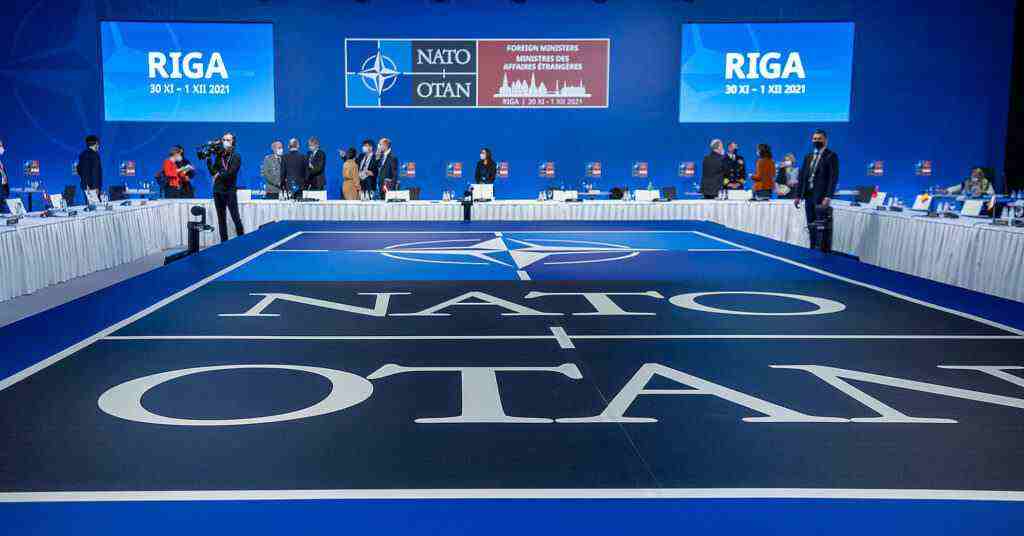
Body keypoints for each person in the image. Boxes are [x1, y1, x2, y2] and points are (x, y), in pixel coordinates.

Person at [795, 129, 840, 250]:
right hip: (808, 196)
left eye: (819, 139)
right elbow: (802, 176)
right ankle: (812, 248)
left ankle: (822, 251)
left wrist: (828, 196)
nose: (816, 141)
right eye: (815, 139)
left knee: (821, 226)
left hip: (821, 196)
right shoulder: (808, 156)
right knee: (811, 224)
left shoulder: (831, 156)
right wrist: (798, 195)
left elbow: (833, 178)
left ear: (825, 140)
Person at [205, 132, 244, 242]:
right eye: (224, 139)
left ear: (233, 142)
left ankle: (242, 241)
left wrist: (219, 174)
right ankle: (224, 243)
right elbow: (213, 172)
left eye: (228, 140)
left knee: (235, 217)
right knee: (221, 219)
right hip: (217, 191)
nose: (225, 142)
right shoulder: (220, 155)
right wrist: (208, 160)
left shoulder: (236, 156)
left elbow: (231, 173)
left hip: (229, 191)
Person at [76, 134, 103, 204]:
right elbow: (95, 172)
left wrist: (85, 183)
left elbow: (79, 169)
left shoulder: (82, 154)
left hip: (85, 186)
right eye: (98, 144)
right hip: (93, 187)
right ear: (95, 144)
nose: (98, 146)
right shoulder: (95, 155)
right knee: (96, 207)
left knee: (90, 206)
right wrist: (95, 187)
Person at [0, 139, 9, 204]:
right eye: (0, 146)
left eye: (2, 145)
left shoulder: (0, 163)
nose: (2, 148)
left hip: (3, 196)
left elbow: (4, 179)